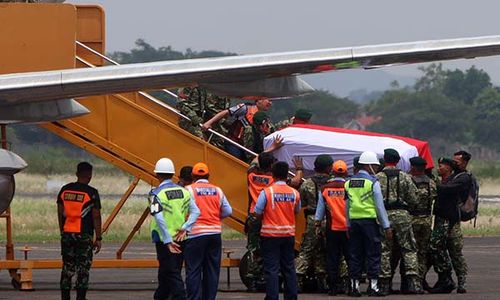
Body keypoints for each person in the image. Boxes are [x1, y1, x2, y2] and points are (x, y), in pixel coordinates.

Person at [149, 157, 200, 300]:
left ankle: (179, 296)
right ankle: (161, 296)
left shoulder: (156, 194)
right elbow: (196, 212)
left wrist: (167, 240)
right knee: (169, 269)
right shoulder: (184, 191)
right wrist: (185, 228)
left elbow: (158, 217)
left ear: (157, 175)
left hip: (164, 239)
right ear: (173, 174)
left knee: (172, 272)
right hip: (181, 237)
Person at [182, 162, 232, 300]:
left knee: (193, 269)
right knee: (212, 270)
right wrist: (216, 217)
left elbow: (183, 211)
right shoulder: (218, 190)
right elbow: (228, 211)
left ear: (193, 175)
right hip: (214, 234)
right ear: (208, 175)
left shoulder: (189, 190)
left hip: (195, 234)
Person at [344, 151, 391, 297]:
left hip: (354, 223)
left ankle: (354, 287)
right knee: (373, 254)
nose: (376, 169)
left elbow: (347, 206)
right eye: (375, 166)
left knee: (355, 254)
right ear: (369, 165)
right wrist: (386, 225)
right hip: (369, 223)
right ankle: (373, 287)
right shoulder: (373, 183)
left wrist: (348, 224)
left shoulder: (348, 183)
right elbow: (379, 206)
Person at [253, 161, 301, 300]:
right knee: (289, 268)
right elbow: (297, 210)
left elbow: (257, 212)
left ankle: (272, 297)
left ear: (273, 175)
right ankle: (291, 297)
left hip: (270, 235)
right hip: (288, 235)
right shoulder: (294, 193)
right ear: (287, 175)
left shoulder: (267, 192)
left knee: (272, 269)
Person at [376, 148, 420, 295]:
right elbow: (414, 199)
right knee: (408, 249)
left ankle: (384, 285)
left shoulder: (377, 178)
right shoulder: (405, 177)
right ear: (397, 161)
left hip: (383, 216)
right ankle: (413, 283)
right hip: (402, 215)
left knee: (384, 250)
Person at [57, 162, 102, 300]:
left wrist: (62, 232)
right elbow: (96, 216)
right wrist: (98, 237)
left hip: (67, 233)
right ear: (90, 175)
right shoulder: (92, 193)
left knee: (67, 267)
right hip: (83, 235)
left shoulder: (65, 190)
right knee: (83, 269)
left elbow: (60, 213)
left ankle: (65, 297)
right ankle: (81, 297)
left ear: (77, 174)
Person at [429, 154, 470, 294]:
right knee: (436, 248)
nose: (438, 168)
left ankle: (460, 281)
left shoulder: (460, 179)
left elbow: (447, 190)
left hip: (451, 221)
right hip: (441, 219)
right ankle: (445, 278)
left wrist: (433, 185)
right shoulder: (446, 180)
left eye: (441, 166)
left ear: (448, 168)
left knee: (455, 251)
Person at [295, 154, 333, 292]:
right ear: (329, 168)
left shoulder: (307, 183)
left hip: (312, 220)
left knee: (307, 250)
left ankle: (297, 280)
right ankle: (323, 282)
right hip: (329, 220)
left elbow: (302, 203)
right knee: (324, 251)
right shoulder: (333, 183)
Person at [315, 160, 350, 295]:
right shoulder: (349, 186)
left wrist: (317, 223)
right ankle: (351, 286)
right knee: (350, 257)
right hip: (348, 228)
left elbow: (320, 210)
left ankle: (333, 287)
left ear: (333, 171)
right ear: (346, 172)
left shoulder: (325, 188)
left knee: (332, 258)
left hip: (332, 227)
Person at [202, 98, 272, 160]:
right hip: (234, 143)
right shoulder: (245, 108)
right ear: (259, 100)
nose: (270, 103)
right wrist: (209, 123)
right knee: (236, 161)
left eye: (271, 101)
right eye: (269, 100)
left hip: (248, 147)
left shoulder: (264, 117)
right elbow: (226, 112)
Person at [244, 153, 276, 291]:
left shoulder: (251, 175)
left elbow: (254, 160)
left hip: (253, 215)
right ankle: (265, 276)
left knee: (253, 247)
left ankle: (251, 278)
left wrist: (270, 148)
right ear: (270, 166)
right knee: (268, 247)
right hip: (267, 216)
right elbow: (295, 182)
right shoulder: (273, 179)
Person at [408, 156, 437, 290]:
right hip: (426, 220)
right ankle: (420, 281)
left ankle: (410, 282)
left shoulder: (408, 180)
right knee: (422, 252)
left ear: (413, 167)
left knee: (410, 251)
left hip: (412, 220)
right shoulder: (431, 182)